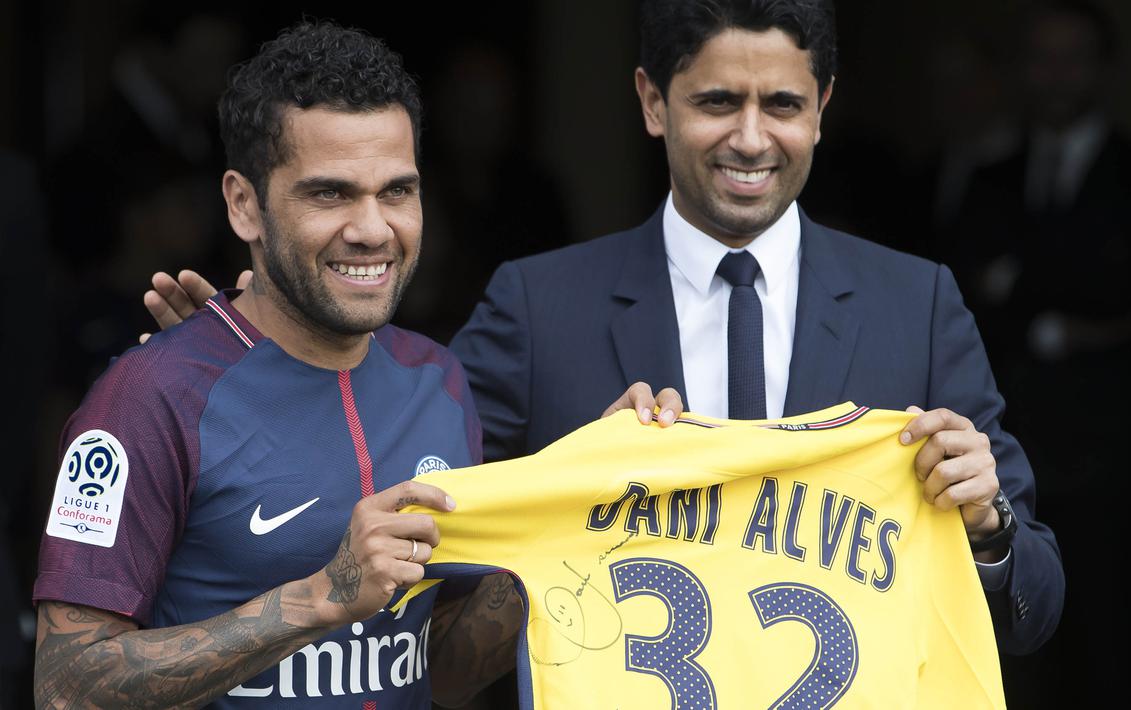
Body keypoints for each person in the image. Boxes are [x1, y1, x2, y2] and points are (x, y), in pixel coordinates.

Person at [144, 0, 1062, 660]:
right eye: (714, 103)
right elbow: (385, 470)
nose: (750, 138)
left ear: (821, 108)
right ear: (652, 102)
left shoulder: (919, 303)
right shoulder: (539, 308)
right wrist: (249, 367)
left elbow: (1034, 609)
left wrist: (985, 527)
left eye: (780, 105)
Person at [33, 21, 671, 709]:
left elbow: (442, 672)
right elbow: (67, 687)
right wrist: (319, 597)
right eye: (329, 193)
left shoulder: (439, 382)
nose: (373, 229)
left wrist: (583, 513)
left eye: (397, 191)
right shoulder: (149, 395)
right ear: (244, 205)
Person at [945, 2, 1131, 705]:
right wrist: (1055, 309)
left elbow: (1124, 290)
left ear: (1103, 69)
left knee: (1114, 657)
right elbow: (963, 298)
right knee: (1015, 667)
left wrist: (1015, 283)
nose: (1055, 76)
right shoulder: (986, 177)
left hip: (1110, 463)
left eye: (1072, 57)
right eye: (1041, 58)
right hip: (1010, 455)